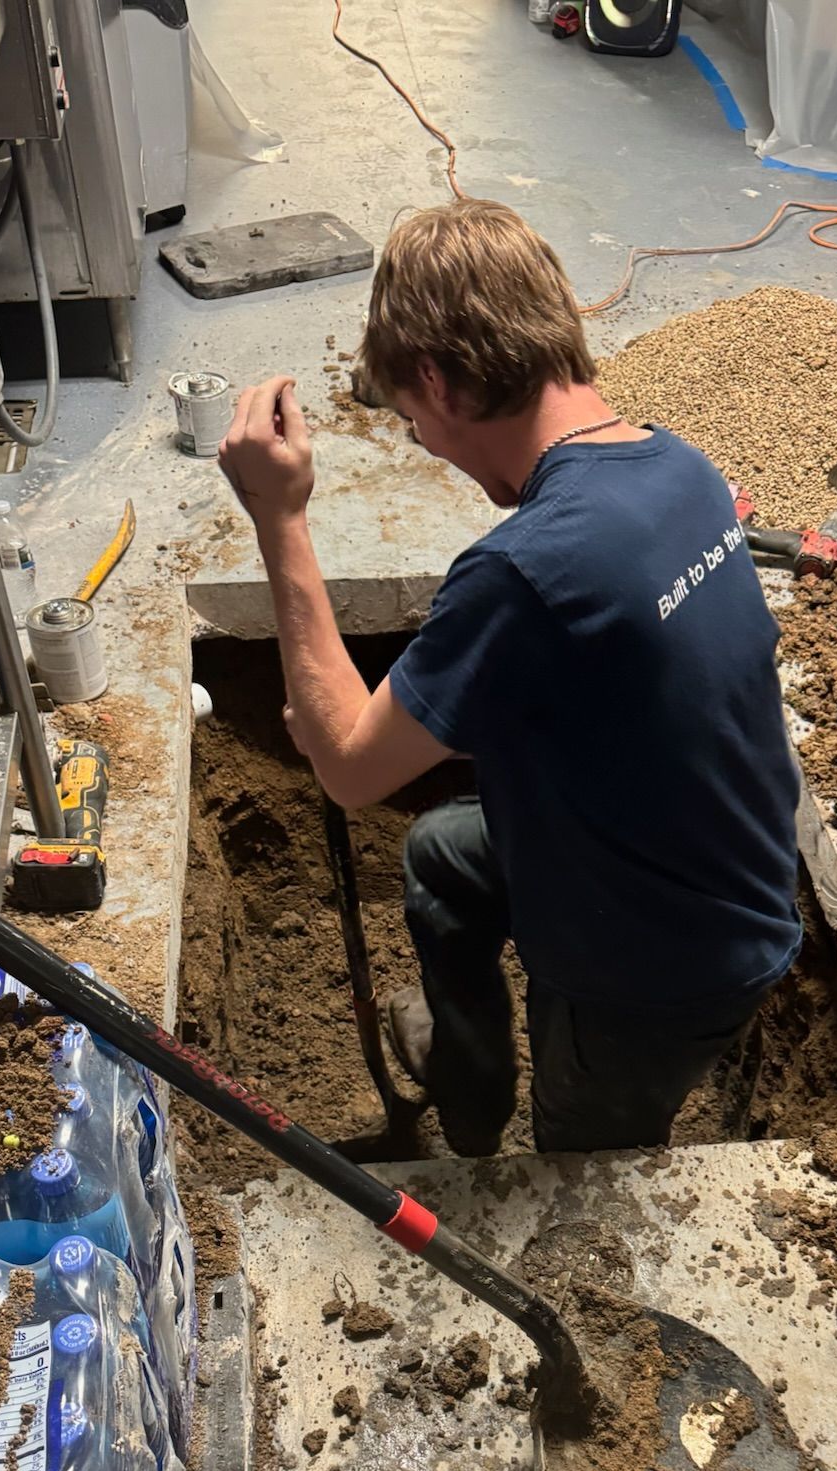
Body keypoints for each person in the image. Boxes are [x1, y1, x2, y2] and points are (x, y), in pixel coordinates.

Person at [217, 198, 801, 1156]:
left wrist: (280, 516)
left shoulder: (529, 569)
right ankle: (470, 1083)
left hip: (654, 973)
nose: (430, 449)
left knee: (583, 1172)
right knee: (445, 852)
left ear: (439, 383)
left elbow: (352, 770)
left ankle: (552, 1158)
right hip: (709, 871)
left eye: (413, 423)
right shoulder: (680, 469)